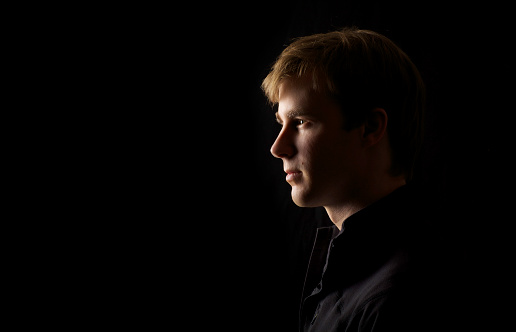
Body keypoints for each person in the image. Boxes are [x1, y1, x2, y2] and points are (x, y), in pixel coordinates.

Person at [262, 28, 461, 331]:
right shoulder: (356, 272)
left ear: (370, 127)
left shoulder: (401, 299)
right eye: (281, 123)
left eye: (302, 122)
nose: (278, 148)